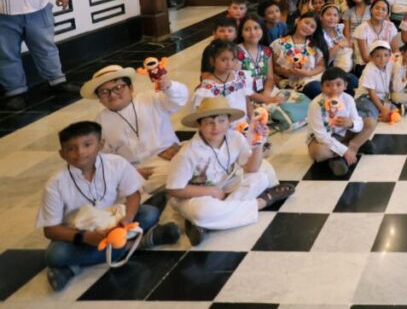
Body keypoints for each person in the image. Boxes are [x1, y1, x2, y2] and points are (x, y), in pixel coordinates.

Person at [37, 121, 180, 291]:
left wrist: (127, 219)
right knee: (55, 255)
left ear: (101, 144)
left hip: (116, 223)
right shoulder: (56, 184)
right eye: (71, 149)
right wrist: (86, 237)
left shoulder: (116, 163)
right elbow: (50, 230)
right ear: (62, 154)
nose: (80, 152)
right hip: (80, 234)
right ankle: (141, 242)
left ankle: (73, 267)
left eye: (87, 145)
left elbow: (133, 195)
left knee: (149, 213)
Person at [166, 97, 293, 246]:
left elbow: (251, 169)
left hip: (226, 186)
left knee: (261, 178)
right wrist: (211, 191)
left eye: (221, 121)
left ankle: (204, 224)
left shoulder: (235, 138)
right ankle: (263, 201)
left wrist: (258, 144)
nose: (216, 127)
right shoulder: (188, 152)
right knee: (201, 211)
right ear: (199, 125)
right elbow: (174, 190)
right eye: (209, 123)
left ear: (229, 122)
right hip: (194, 196)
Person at [80, 64, 188, 195]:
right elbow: (103, 158)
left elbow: (180, 99)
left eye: (118, 87)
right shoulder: (99, 123)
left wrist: (169, 86)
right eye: (104, 92)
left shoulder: (150, 98)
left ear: (131, 88)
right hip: (134, 170)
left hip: (167, 157)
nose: (112, 94)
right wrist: (129, 172)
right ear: (99, 99)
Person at [307, 67, 364, 176]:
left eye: (338, 84)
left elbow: (358, 122)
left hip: (344, 133)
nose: (334, 89)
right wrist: (345, 151)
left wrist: (351, 124)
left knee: (370, 123)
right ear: (322, 87)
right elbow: (321, 136)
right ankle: (350, 150)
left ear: (345, 85)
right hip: (322, 140)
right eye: (328, 85)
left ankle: (349, 148)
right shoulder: (316, 105)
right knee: (318, 153)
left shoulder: (348, 99)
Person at [271, 12, 326, 99]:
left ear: (314, 31)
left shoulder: (314, 45)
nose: (307, 27)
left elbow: (321, 66)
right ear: (298, 21)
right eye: (306, 22)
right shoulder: (279, 43)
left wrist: (308, 73)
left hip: (310, 79)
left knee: (317, 88)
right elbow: (275, 67)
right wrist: (288, 71)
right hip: (287, 82)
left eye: (312, 27)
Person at [356, 40, 402, 122]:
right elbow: (371, 93)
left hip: (380, 98)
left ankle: (378, 113)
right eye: (378, 56)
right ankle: (355, 116)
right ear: (371, 57)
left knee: (395, 110)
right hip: (365, 97)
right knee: (372, 114)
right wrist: (382, 109)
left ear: (390, 55)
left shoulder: (390, 65)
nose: (382, 59)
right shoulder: (369, 69)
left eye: (386, 55)